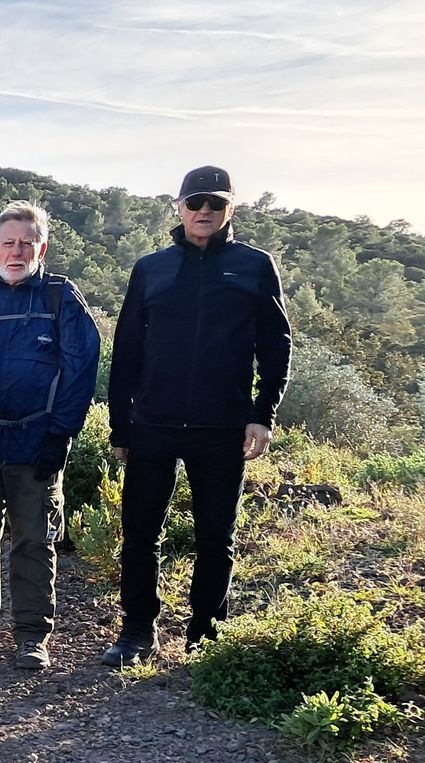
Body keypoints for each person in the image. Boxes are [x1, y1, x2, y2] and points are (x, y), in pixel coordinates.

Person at [101, 166, 291, 666]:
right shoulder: (151, 268)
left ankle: (205, 636)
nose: (205, 211)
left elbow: (276, 345)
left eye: (216, 203)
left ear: (231, 209)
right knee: (140, 534)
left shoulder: (255, 265)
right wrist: (121, 424)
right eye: (195, 202)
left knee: (215, 538)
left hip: (223, 427)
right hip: (153, 425)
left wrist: (262, 414)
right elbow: (127, 350)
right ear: (179, 207)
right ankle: (137, 631)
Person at [0, 201, 100, 674]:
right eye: (8, 243)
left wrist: (61, 433)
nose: (16, 252)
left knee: (35, 543)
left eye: (26, 243)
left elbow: (82, 368)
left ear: (42, 248)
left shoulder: (61, 298)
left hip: (37, 445)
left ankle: (32, 636)